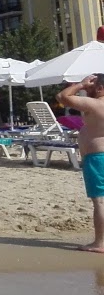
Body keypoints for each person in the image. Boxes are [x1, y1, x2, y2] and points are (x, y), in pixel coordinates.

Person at [56, 75, 104, 253]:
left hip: (98, 158)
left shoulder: (96, 104)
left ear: (99, 88)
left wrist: (80, 84)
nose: (86, 90)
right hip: (99, 156)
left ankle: (100, 243)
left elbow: (62, 97)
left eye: (91, 87)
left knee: (100, 201)